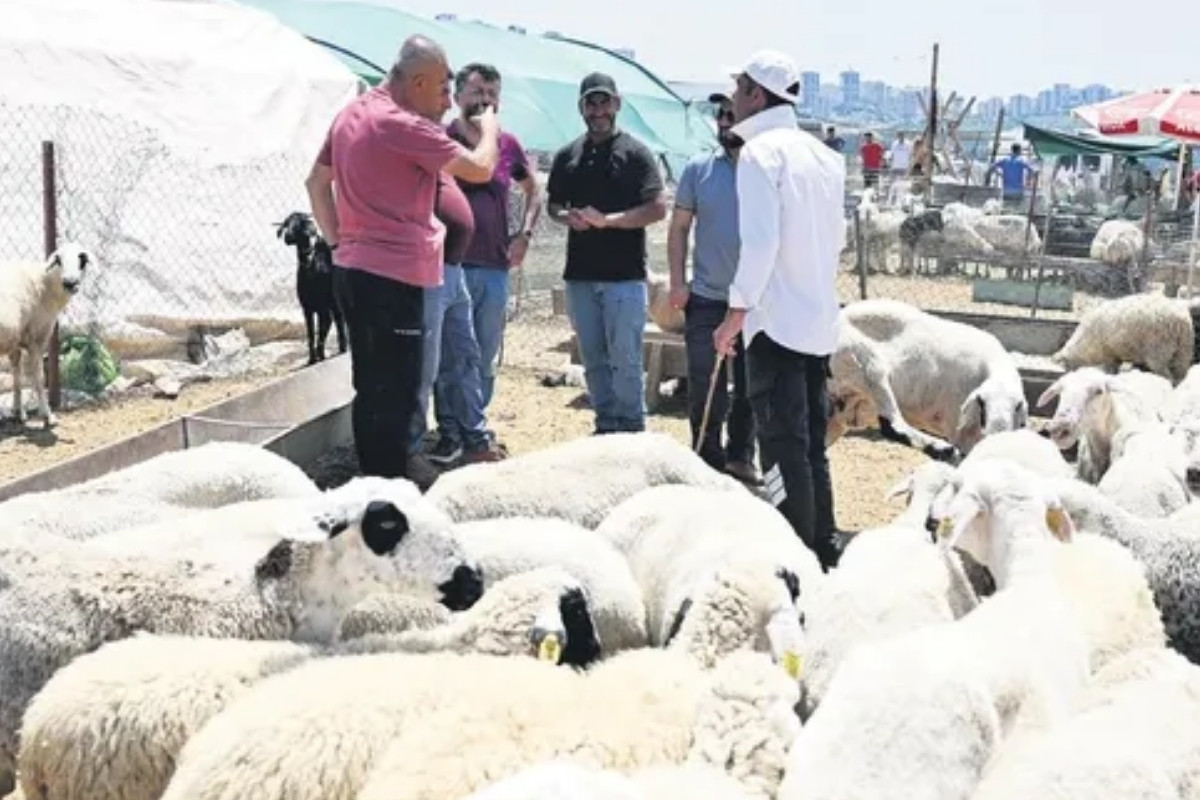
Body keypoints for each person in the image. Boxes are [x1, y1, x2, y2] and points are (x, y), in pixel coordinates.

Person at [304, 34, 499, 480]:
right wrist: (490, 127)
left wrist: (337, 246)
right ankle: (391, 491)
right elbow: (480, 168)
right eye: (442, 90)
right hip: (396, 281)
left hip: (353, 273)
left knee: (371, 388)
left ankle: (375, 482)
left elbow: (316, 183)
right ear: (418, 82)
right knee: (400, 395)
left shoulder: (351, 113)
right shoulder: (402, 125)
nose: (446, 102)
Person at [713, 49, 846, 571]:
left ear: (755, 94)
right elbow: (835, 241)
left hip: (774, 324)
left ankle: (795, 560)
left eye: (738, 87)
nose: (733, 98)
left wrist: (735, 312)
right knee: (810, 446)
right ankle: (824, 548)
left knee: (781, 448)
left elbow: (761, 244)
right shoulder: (826, 157)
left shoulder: (759, 154)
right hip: (817, 322)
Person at [546, 72, 667, 434]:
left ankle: (632, 428)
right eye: (591, 103)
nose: (598, 110)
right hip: (580, 276)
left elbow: (657, 208)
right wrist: (567, 217)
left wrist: (609, 221)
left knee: (626, 358)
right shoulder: (568, 155)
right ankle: (605, 425)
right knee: (593, 358)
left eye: (604, 102)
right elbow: (553, 205)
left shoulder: (637, 154)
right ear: (581, 108)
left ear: (617, 104)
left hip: (624, 278)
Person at [440, 63, 541, 431]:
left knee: (484, 352)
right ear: (457, 97)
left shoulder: (507, 144)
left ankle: (475, 427)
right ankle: (450, 428)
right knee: (450, 354)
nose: (484, 101)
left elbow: (533, 190)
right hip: (450, 265)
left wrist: (524, 235)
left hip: (494, 267)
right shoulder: (442, 139)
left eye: (491, 94)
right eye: (477, 93)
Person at [666, 91, 759, 485]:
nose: (724, 122)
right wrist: (677, 282)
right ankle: (706, 459)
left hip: (756, 301)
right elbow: (679, 228)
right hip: (706, 297)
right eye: (720, 115)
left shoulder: (765, 171)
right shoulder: (697, 169)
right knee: (705, 383)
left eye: (731, 115)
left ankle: (741, 457)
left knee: (752, 386)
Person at [407, 172, 486, 488]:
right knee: (423, 369)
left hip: (454, 269)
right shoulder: (417, 155)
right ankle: (410, 452)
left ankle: (474, 438)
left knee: (464, 356)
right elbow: (482, 166)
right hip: (426, 270)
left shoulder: (443, 162)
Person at [986, 143, 1036, 209]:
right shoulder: (1021, 160)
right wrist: (1028, 180)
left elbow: (991, 167)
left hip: (1006, 190)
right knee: (1017, 210)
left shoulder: (1005, 160)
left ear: (1012, 150)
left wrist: (999, 174)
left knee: (1006, 209)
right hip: (1018, 190)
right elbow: (1031, 170)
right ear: (1019, 150)